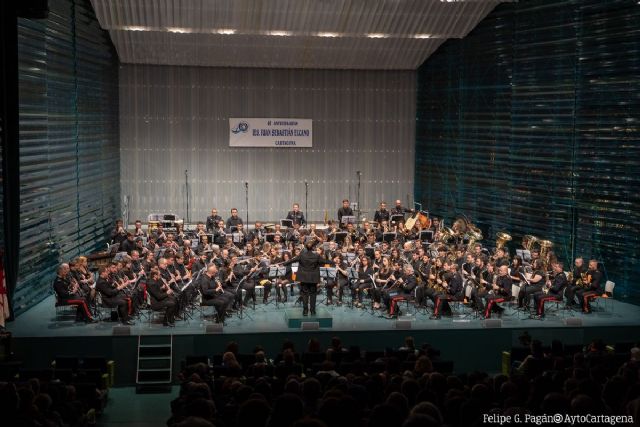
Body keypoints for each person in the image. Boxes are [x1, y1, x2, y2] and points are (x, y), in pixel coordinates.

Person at [282, 240, 333, 316]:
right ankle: (313, 311)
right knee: (313, 294)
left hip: (304, 278)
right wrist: (332, 262)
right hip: (313, 278)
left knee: (304, 294)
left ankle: (305, 311)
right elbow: (325, 261)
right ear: (313, 247)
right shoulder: (317, 256)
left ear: (305, 247)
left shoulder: (301, 255)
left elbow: (291, 260)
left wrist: (285, 263)